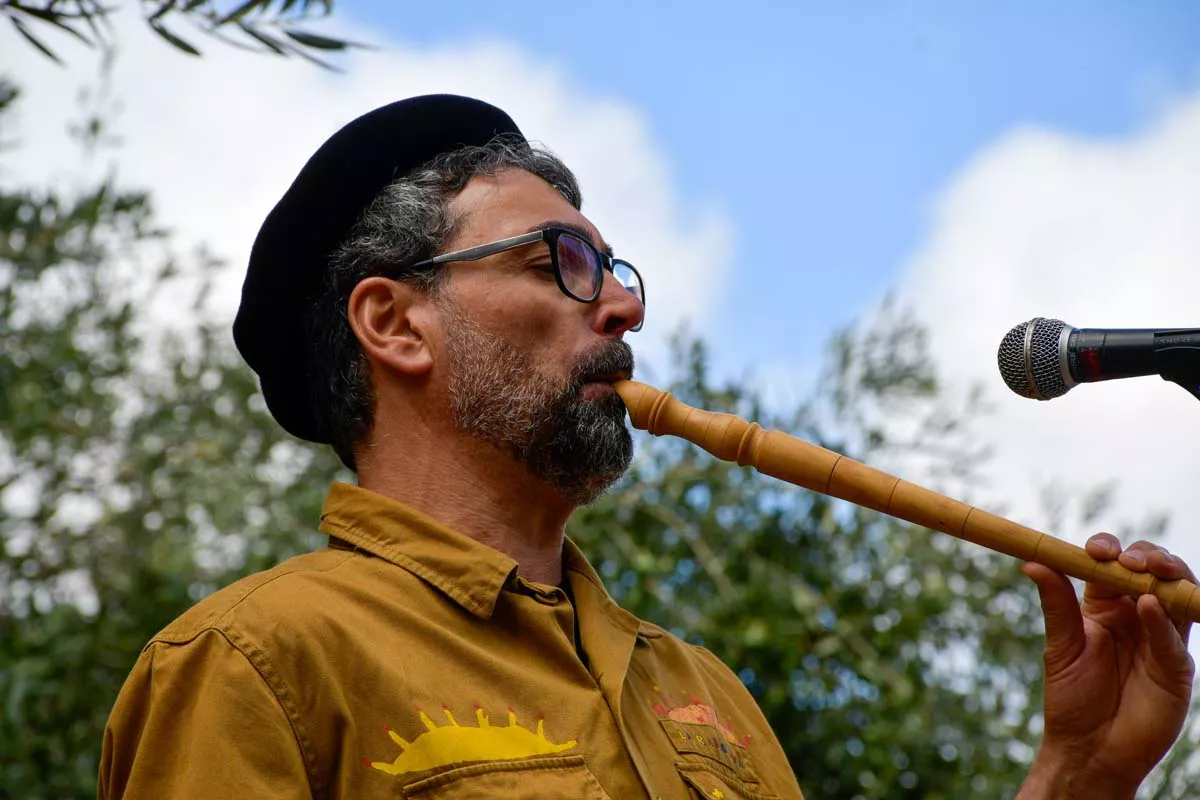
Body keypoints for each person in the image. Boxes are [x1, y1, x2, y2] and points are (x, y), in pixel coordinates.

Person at [98, 95, 1195, 799]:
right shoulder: (256, 659)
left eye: (617, 270)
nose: (620, 306)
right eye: (561, 261)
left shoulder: (702, 691)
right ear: (394, 324)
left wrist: (1077, 773)